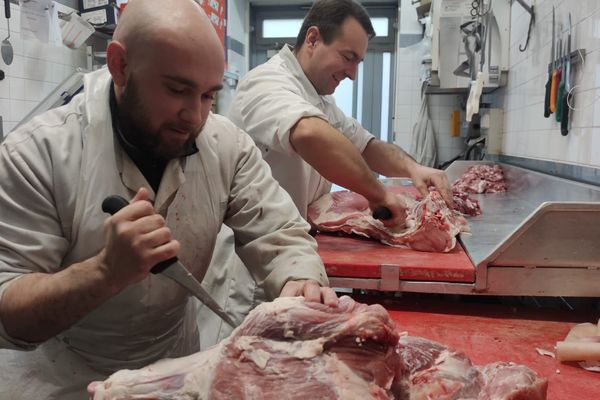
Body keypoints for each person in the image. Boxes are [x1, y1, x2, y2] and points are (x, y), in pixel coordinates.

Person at [0, 0, 336, 398]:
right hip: (66, 377)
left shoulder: (225, 145)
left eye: (209, 96)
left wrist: (299, 278)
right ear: (120, 65)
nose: (194, 116)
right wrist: (104, 272)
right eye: (178, 90)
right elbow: (8, 311)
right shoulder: (37, 153)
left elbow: (277, 230)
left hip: (178, 369)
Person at [201, 0, 455, 345]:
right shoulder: (266, 84)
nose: (353, 73)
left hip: (292, 258)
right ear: (313, 39)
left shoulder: (319, 98)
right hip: (250, 273)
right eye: (348, 57)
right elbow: (308, 134)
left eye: (359, 62)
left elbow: (365, 144)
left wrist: (414, 168)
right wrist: (378, 195)